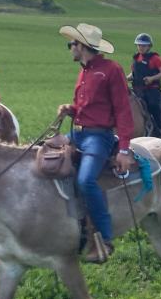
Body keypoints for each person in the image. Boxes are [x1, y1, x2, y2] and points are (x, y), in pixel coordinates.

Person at [57, 23, 136, 263]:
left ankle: (103, 237)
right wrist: (70, 109)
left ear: (81, 46)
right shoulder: (84, 71)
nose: (70, 48)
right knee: (44, 155)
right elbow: (85, 107)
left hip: (98, 137)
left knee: (86, 180)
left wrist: (124, 149)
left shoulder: (111, 70)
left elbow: (123, 110)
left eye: (72, 44)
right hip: (79, 133)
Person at [128, 33, 161, 138]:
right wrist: (125, 78)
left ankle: (160, 130)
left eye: (143, 45)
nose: (140, 47)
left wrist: (152, 79)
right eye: (139, 45)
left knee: (153, 105)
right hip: (137, 89)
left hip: (152, 89)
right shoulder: (136, 58)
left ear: (149, 46)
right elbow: (133, 74)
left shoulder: (155, 58)